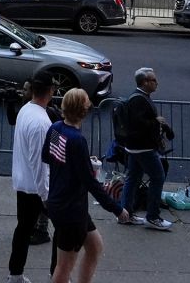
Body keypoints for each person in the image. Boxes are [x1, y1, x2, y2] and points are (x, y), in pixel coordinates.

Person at [43, 89, 130, 283]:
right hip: (71, 209)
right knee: (64, 267)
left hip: (60, 203)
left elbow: (48, 157)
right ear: (84, 110)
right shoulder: (77, 139)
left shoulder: (56, 128)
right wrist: (116, 208)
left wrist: (78, 164)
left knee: (94, 246)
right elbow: (90, 182)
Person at [7, 74, 56, 283]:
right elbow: (40, 162)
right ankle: (58, 275)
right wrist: (45, 194)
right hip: (37, 188)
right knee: (64, 229)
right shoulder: (42, 122)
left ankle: (15, 274)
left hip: (23, 182)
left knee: (23, 229)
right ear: (51, 91)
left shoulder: (26, 110)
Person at [115, 68, 171, 230]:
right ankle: (153, 216)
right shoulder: (139, 100)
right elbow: (138, 125)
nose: (156, 82)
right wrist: (156, 121)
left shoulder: (138, 97)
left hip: (134, 148)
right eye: (153, 80)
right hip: (143, 148)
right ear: (144, 82)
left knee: (132, 179)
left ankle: (125, 214)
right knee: (157, 177)